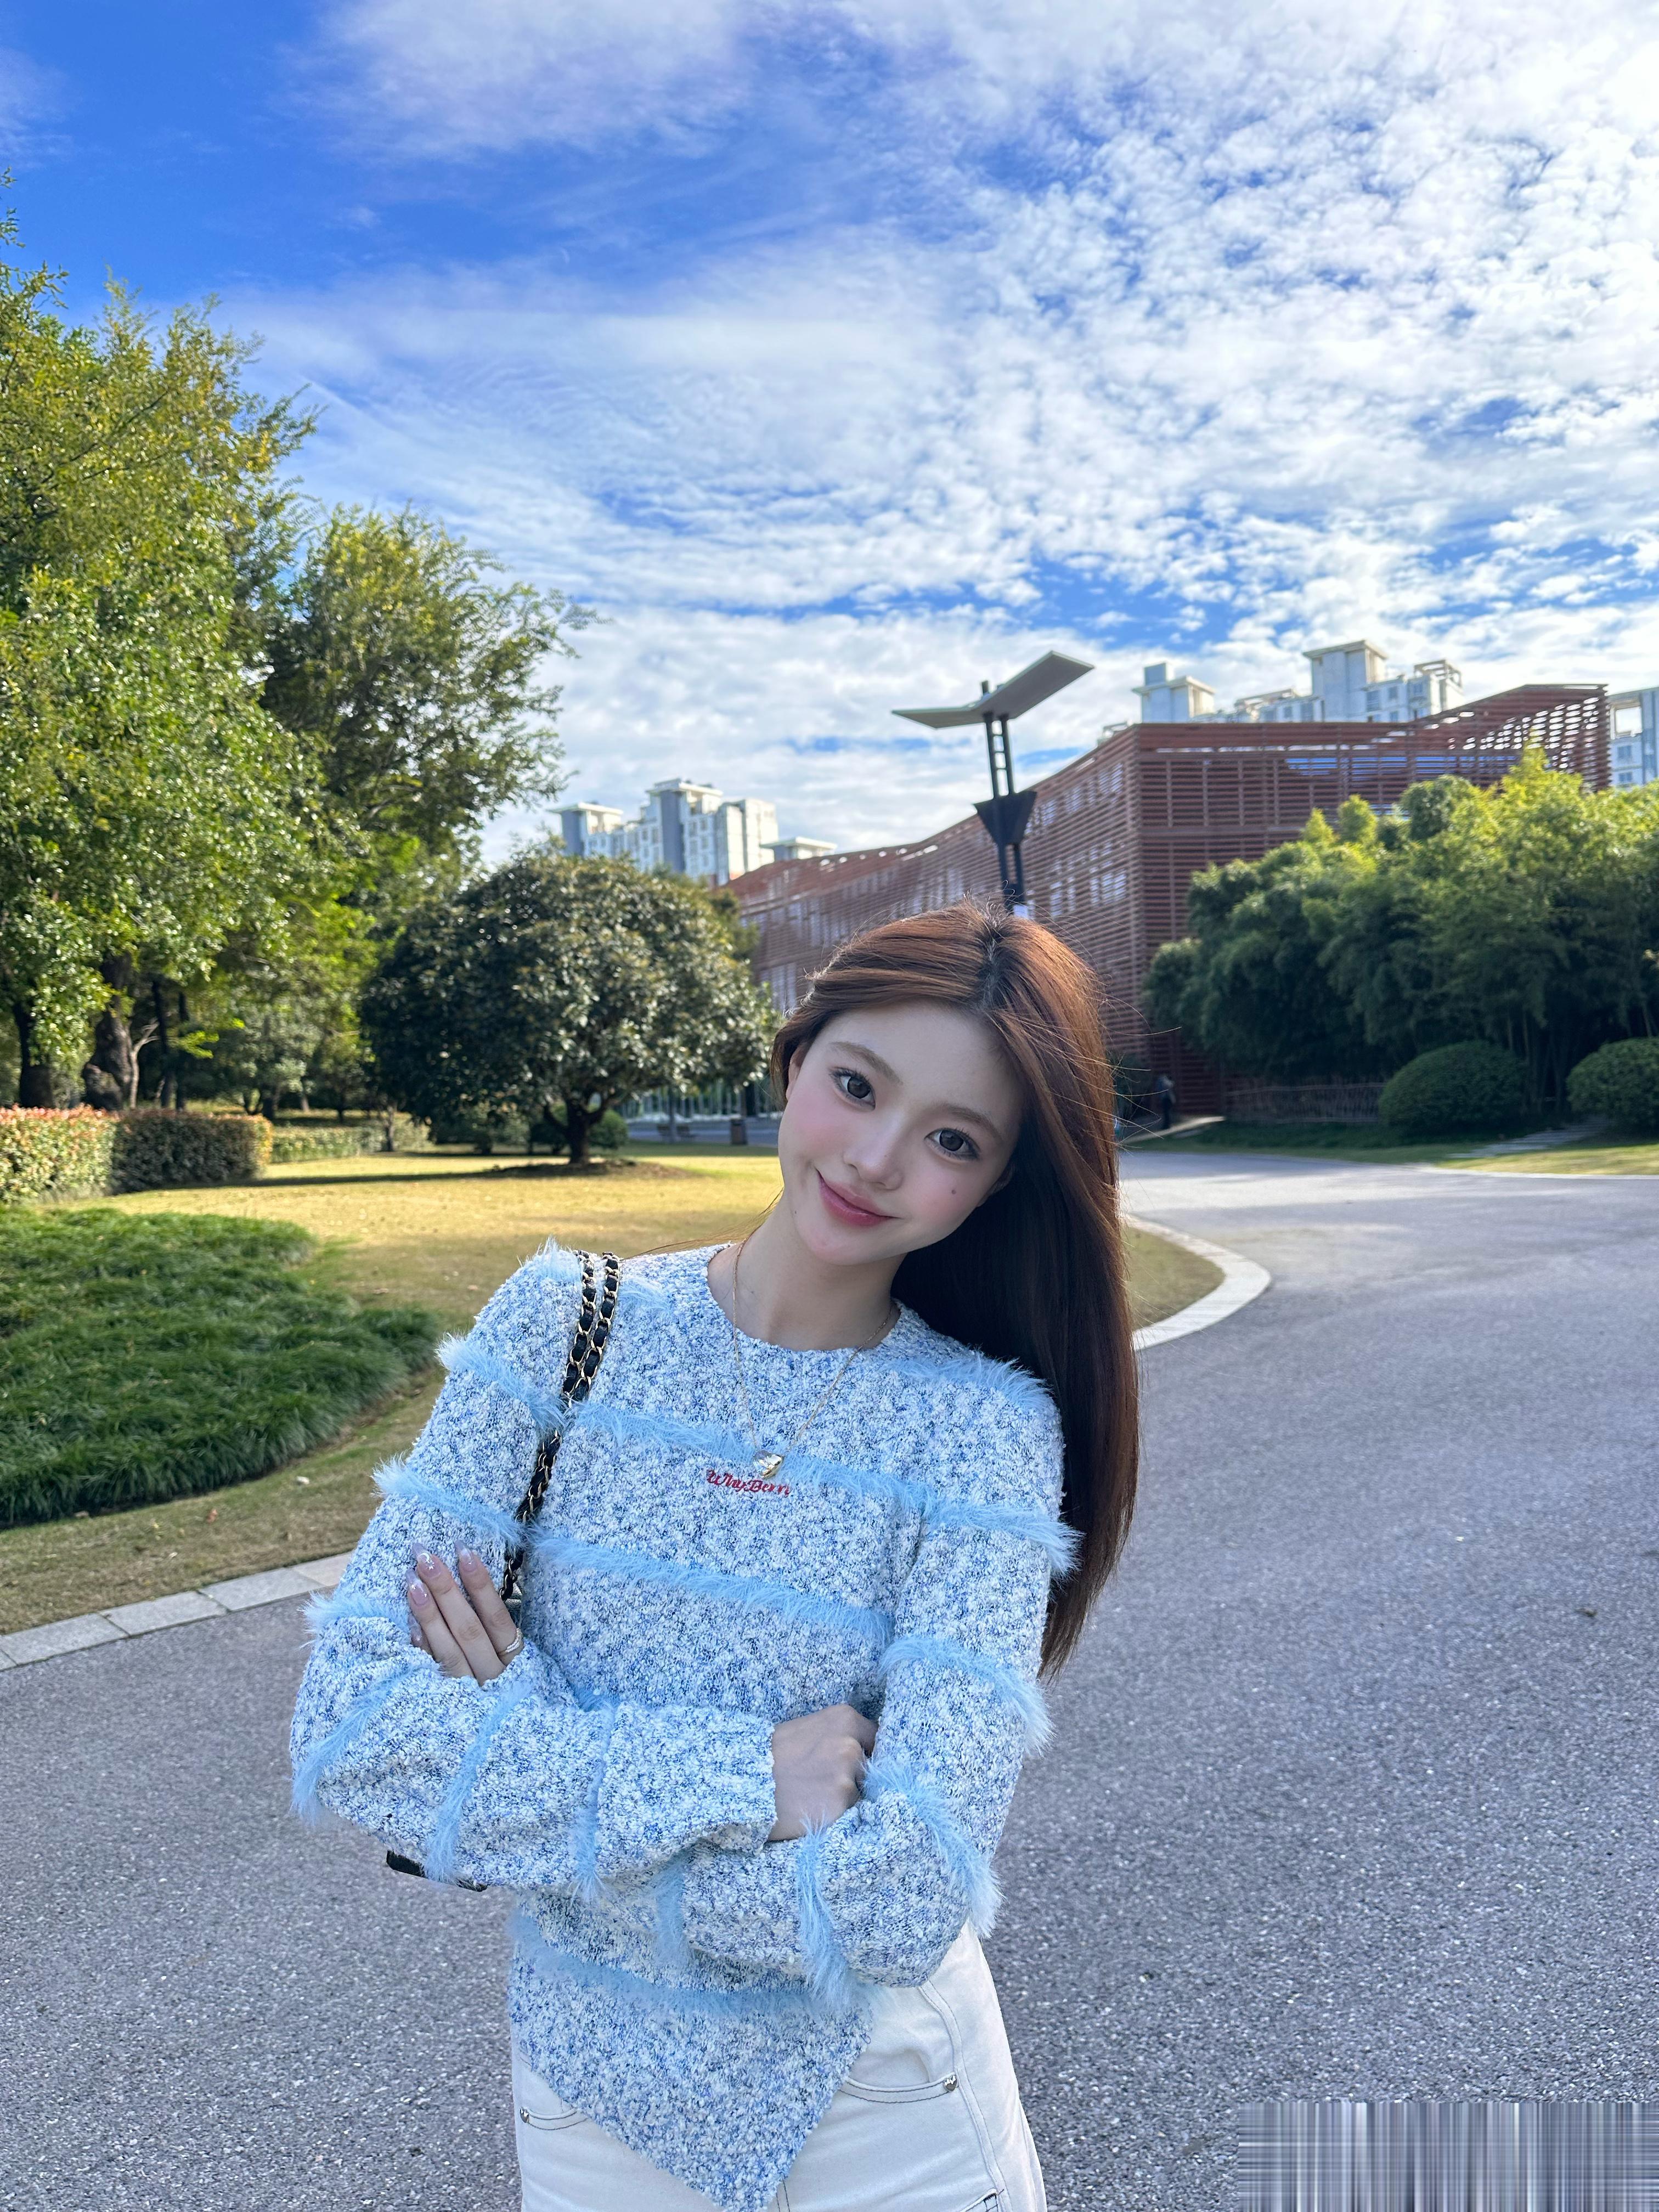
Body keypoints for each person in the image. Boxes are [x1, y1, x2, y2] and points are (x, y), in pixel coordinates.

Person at [290, 899, 1139, 2212]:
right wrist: (749, 1776)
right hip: (585, 2103)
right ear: (792, 1060)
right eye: (857, 1085)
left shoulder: (983, 1430)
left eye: (952, 1140)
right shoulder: (561, 1327)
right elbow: (353, 1729)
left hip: (889, 2109)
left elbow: (905, 1896)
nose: (875, 1159)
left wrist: (531, 1766)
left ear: (996, 1183)